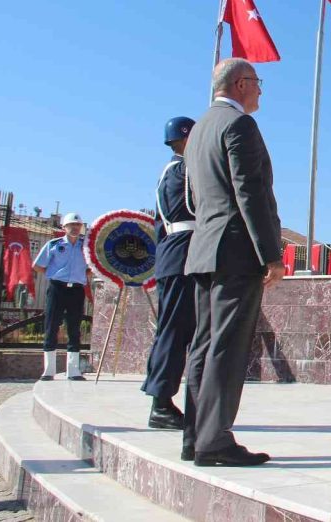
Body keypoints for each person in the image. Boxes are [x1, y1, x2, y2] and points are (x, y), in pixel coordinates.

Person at [182, 58, 285, 467]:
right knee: (226, 346)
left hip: (205, 249)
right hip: (236, 252)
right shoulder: (239, 125)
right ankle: (215, 441)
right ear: (241, 83)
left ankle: (196, 436)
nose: (260, 90)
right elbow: (250, 193)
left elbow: (196, 198)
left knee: (204, 346)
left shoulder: (200, 129)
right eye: (257, 83)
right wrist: (271, 255)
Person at [141, 116, 197, 430]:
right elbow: (194, 209)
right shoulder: (183, 171)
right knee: (175, 331)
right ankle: (160, 403)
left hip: (172, 254)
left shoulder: (170, 171)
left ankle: (160, 397)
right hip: (182, 254)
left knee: (171, 330)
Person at [33, 213, 92, 381]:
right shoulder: (54, 244)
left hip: (77, 290)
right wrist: (53, 273)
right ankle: (48, 370)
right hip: (57, 288)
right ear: (64, 227)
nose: (74, 228)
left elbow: (92, 266)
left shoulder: (85, 247)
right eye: (71, 225)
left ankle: (73, 371)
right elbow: (37, 266)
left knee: (74, 328)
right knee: (51, 326)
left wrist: (83, 274)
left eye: (77, 225)